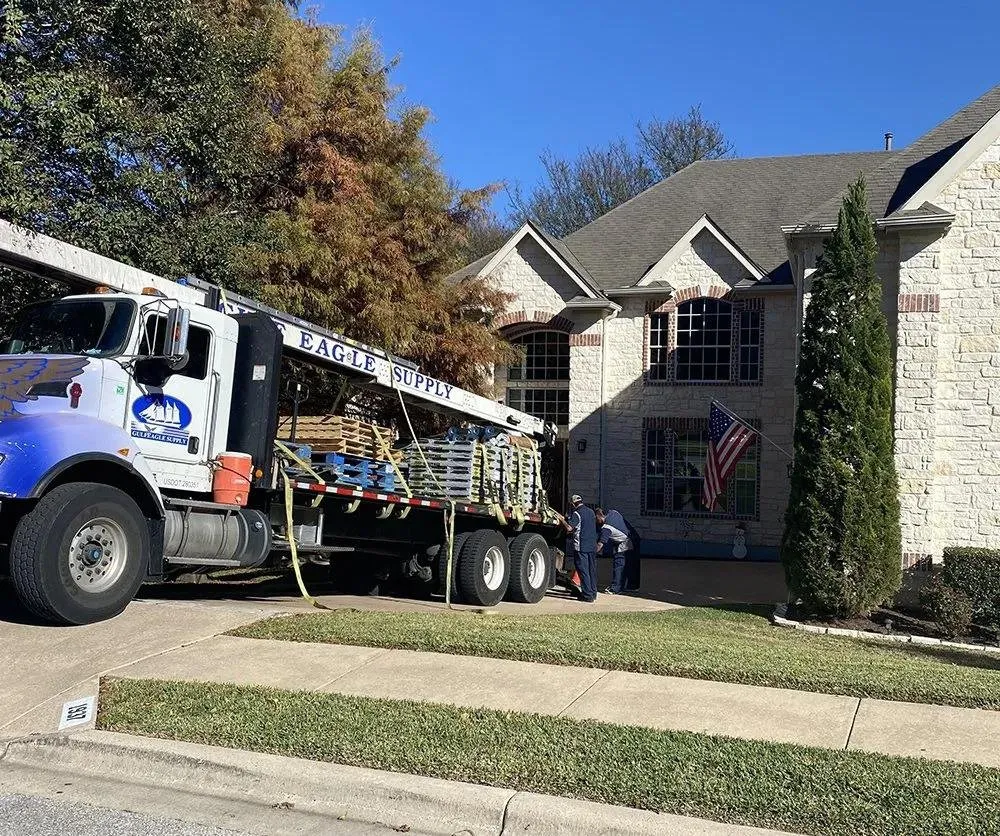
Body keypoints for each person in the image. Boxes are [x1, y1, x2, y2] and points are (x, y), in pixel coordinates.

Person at [562, 494, 598, 602]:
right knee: (592, 570)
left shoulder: (576, 513)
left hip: (581, 546)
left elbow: (569, 528)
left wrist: (563, 520)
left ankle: (587, 595)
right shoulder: (591, 512)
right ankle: (593, 593)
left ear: (573, 504)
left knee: (583, 570)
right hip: (592, 546)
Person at [596, 508, 640, 594]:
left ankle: (616, 588)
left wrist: (592, 553)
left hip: (625, 542)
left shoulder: (606, 528)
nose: (596, 521)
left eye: (596, 518)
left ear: (599, 516)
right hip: (634, 537)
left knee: (619, 564)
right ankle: (633, 586)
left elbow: (600, 545)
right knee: (632, 564)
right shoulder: (613, 512)